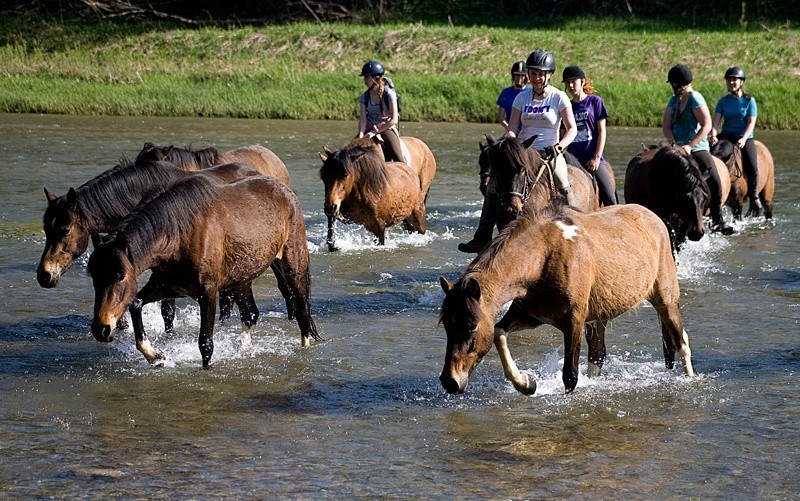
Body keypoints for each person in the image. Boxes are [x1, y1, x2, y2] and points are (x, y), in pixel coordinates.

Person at [458, 49, 577, 253]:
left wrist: (559, 147)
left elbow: (572, 128)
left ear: (549, 75)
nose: (536, 78)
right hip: (523, 151)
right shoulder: (521, 98)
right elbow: (512, 127)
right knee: (494, 184)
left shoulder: (559, 97)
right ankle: (482, 236)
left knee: (562, 182)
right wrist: (510, 143)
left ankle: (576, 226)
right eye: (533, 73)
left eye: (541, 74)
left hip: (549, 150)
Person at [662, 64, 734, 235]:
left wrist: (690, 145)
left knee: (715, 180)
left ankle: (718, 220)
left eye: (673, 83)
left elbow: (707, 125)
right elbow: (666, 126)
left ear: (678, 83)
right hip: (677, 148)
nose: (672, 87)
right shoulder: (673, 101)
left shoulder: (695, 99)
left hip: (697, 148)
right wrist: (673, 144)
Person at [562, 65, 616, 206]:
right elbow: (563, 134)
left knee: (609, 193)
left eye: (574, 82)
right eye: (568, 83)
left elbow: (601, 131)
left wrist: (597, 158)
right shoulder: (566, 106)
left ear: (582, 81)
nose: (571, 86)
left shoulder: (595, 101)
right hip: (572, 159)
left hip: (592, 159)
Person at [710, 66, 761, 215]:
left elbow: (751, 123)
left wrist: (744, 139)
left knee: (753, 166)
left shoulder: (749, 101)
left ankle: (753, 195)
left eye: (735, 80)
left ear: (741, 82)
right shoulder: (723, 101)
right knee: (709, 154)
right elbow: (715, 122)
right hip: (727, 137)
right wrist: (713, 135)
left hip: (744, 137)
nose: (732, 82)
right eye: (729, 80)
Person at [357, 60, 404, 163]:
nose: (364, 80)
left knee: (397, 156)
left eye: (366, 77)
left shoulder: (390, 95)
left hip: (386, 127)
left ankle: (406, 172)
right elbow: (363, 119)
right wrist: (361, 134)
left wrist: (375, 131)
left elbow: (394, 120)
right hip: (369, 126)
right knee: (351, 152)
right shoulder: (363, 97)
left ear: (375, 78)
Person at [496, 61, 529, 129]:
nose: (519, 78)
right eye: (517, 75)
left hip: (528, 131)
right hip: (511, 130)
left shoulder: (532, 92)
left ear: (526, 77)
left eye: (522, 75)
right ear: (513, 76)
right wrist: (508, 127)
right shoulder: (505, 93)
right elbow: (500, 116)